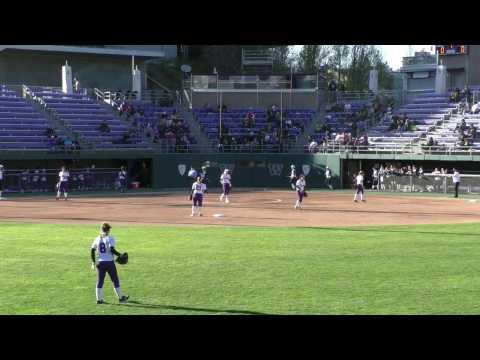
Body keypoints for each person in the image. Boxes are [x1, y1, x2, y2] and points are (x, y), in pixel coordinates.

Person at [90, 222, 129, 304]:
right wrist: (120, 255)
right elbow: (111, 249)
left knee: (100, 281)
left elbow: (92, 250)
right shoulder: (110, 238)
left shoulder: (97, 238)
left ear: (101, 229)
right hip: (110, 263)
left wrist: (93, 262)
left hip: (100, 263)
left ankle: (99, 300)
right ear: (108, 230)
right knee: (115, 280)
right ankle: (121, 298)